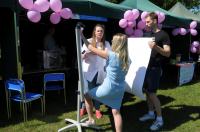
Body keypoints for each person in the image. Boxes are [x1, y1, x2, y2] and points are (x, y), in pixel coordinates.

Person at [81, 32, 129, 132]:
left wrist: (82, 35)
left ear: (117, 43)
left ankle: (91, 120)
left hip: (108, 88)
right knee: (116, 112)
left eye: (113, 40)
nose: (111, 41)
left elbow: (90, 47)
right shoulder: (127, 59)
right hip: (120, 89)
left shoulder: (111, 55)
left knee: (86, 95)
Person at [139, 12, 171, 131]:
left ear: (155, 21)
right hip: (145, 68)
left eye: (148, 21)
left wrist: (156, 47)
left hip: (155, 68)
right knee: (147, 92)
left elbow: (168, 53)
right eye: (145, 21)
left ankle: (159, 119)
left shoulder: (163, 35)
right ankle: (151, 113)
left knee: (152, 93)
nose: (146, 23)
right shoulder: (147, 34)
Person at [80, 24, 111, 119]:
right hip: (89, 71)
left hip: (101, 71)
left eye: (101, 31)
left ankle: (97, 110)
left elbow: (108, 56)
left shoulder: (106, 43)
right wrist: (86, 54)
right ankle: (84, 107)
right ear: (94, 32)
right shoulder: (88, 41)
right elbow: (81, 56)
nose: (100, 33)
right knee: (87, 92)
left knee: (98, 92)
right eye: (98, 31)